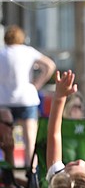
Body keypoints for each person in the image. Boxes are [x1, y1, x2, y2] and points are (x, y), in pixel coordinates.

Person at [0, 25, 56, 167]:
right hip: (26, 98)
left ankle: (9, 177)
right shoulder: (28, 52)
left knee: (7, 142)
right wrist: (37, 83)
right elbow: (50, 65)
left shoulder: (2, 53)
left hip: (5, 100)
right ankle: (32, 175)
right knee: (30, 140)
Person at [0, 107, 20, 188]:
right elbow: (8, 181)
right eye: (9, 124)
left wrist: (9, 153)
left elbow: (8, 178)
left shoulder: (3, 144)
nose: (12, 128)